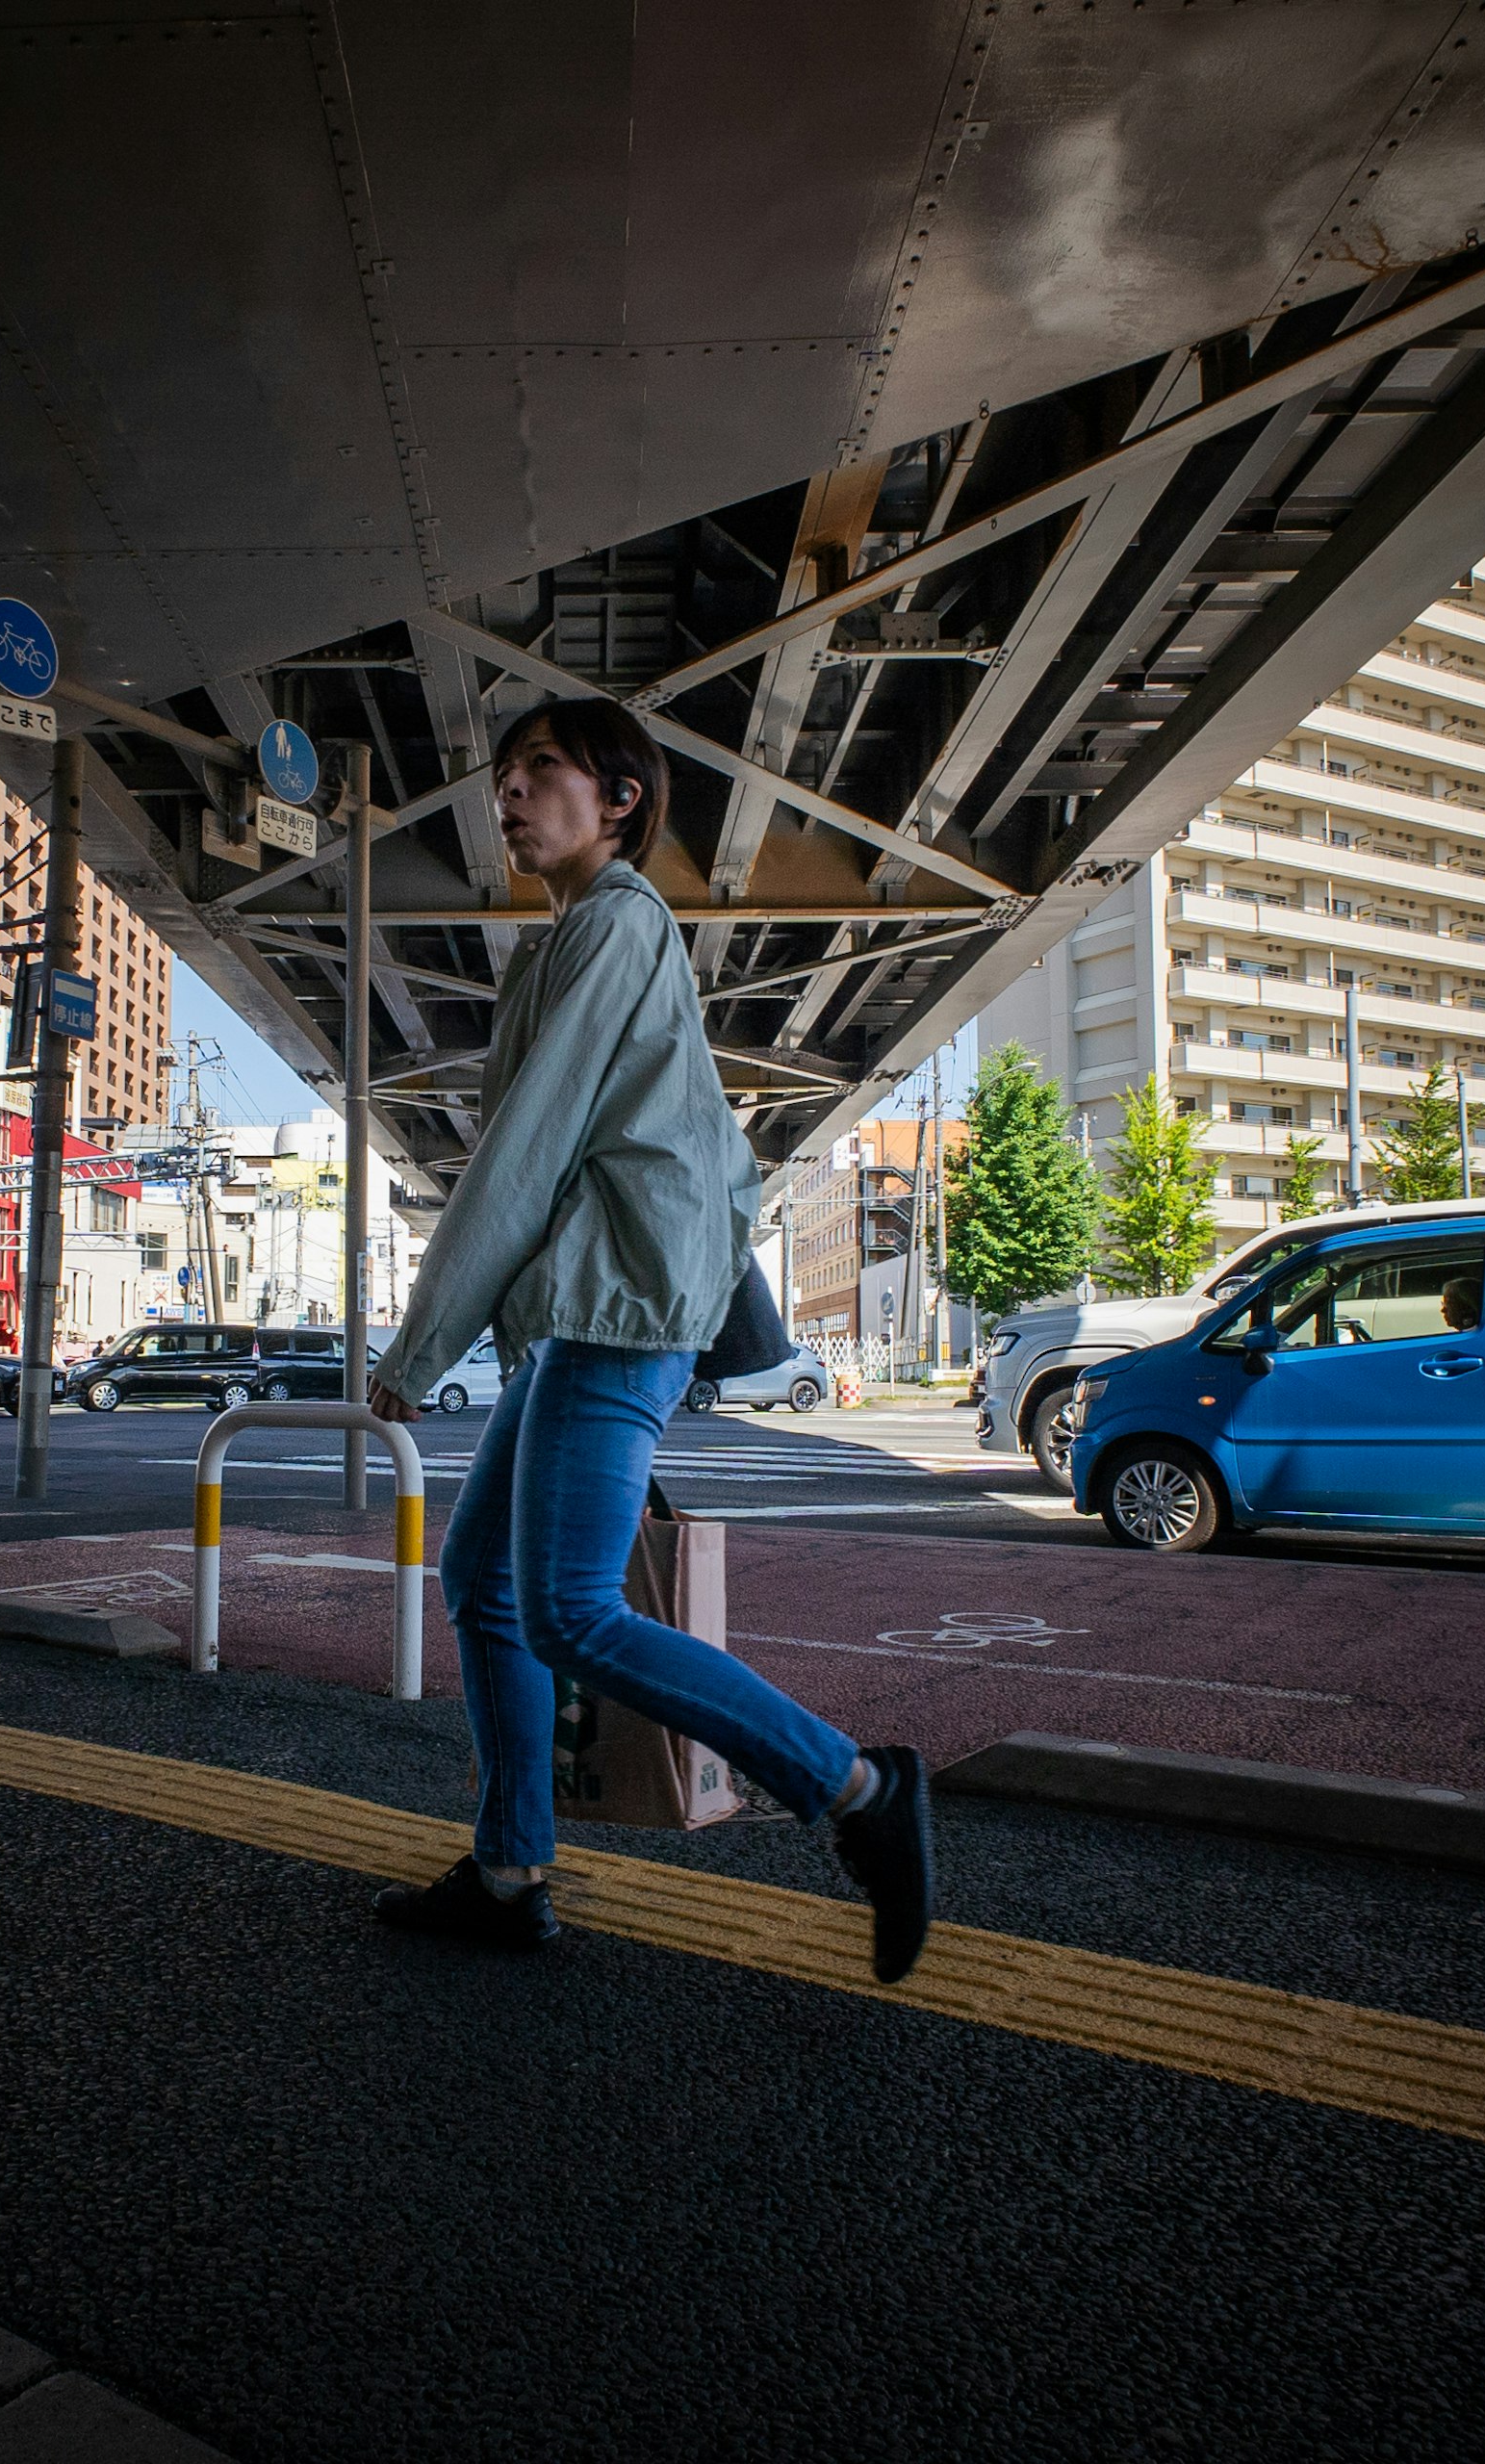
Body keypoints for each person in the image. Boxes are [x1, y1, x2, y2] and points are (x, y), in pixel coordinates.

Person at [365, 696, 939, 1983]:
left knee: (568, 1609)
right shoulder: (561, 945)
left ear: (618, 798)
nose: (508, 796)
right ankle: (511, 1870)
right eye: (501, 777)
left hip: (620, 1310)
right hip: (590, 1308)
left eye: (541, 772)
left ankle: (856, 1791)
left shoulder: (619, 924)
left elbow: (529, 1149)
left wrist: (420, 1345)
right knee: (485, 1582)